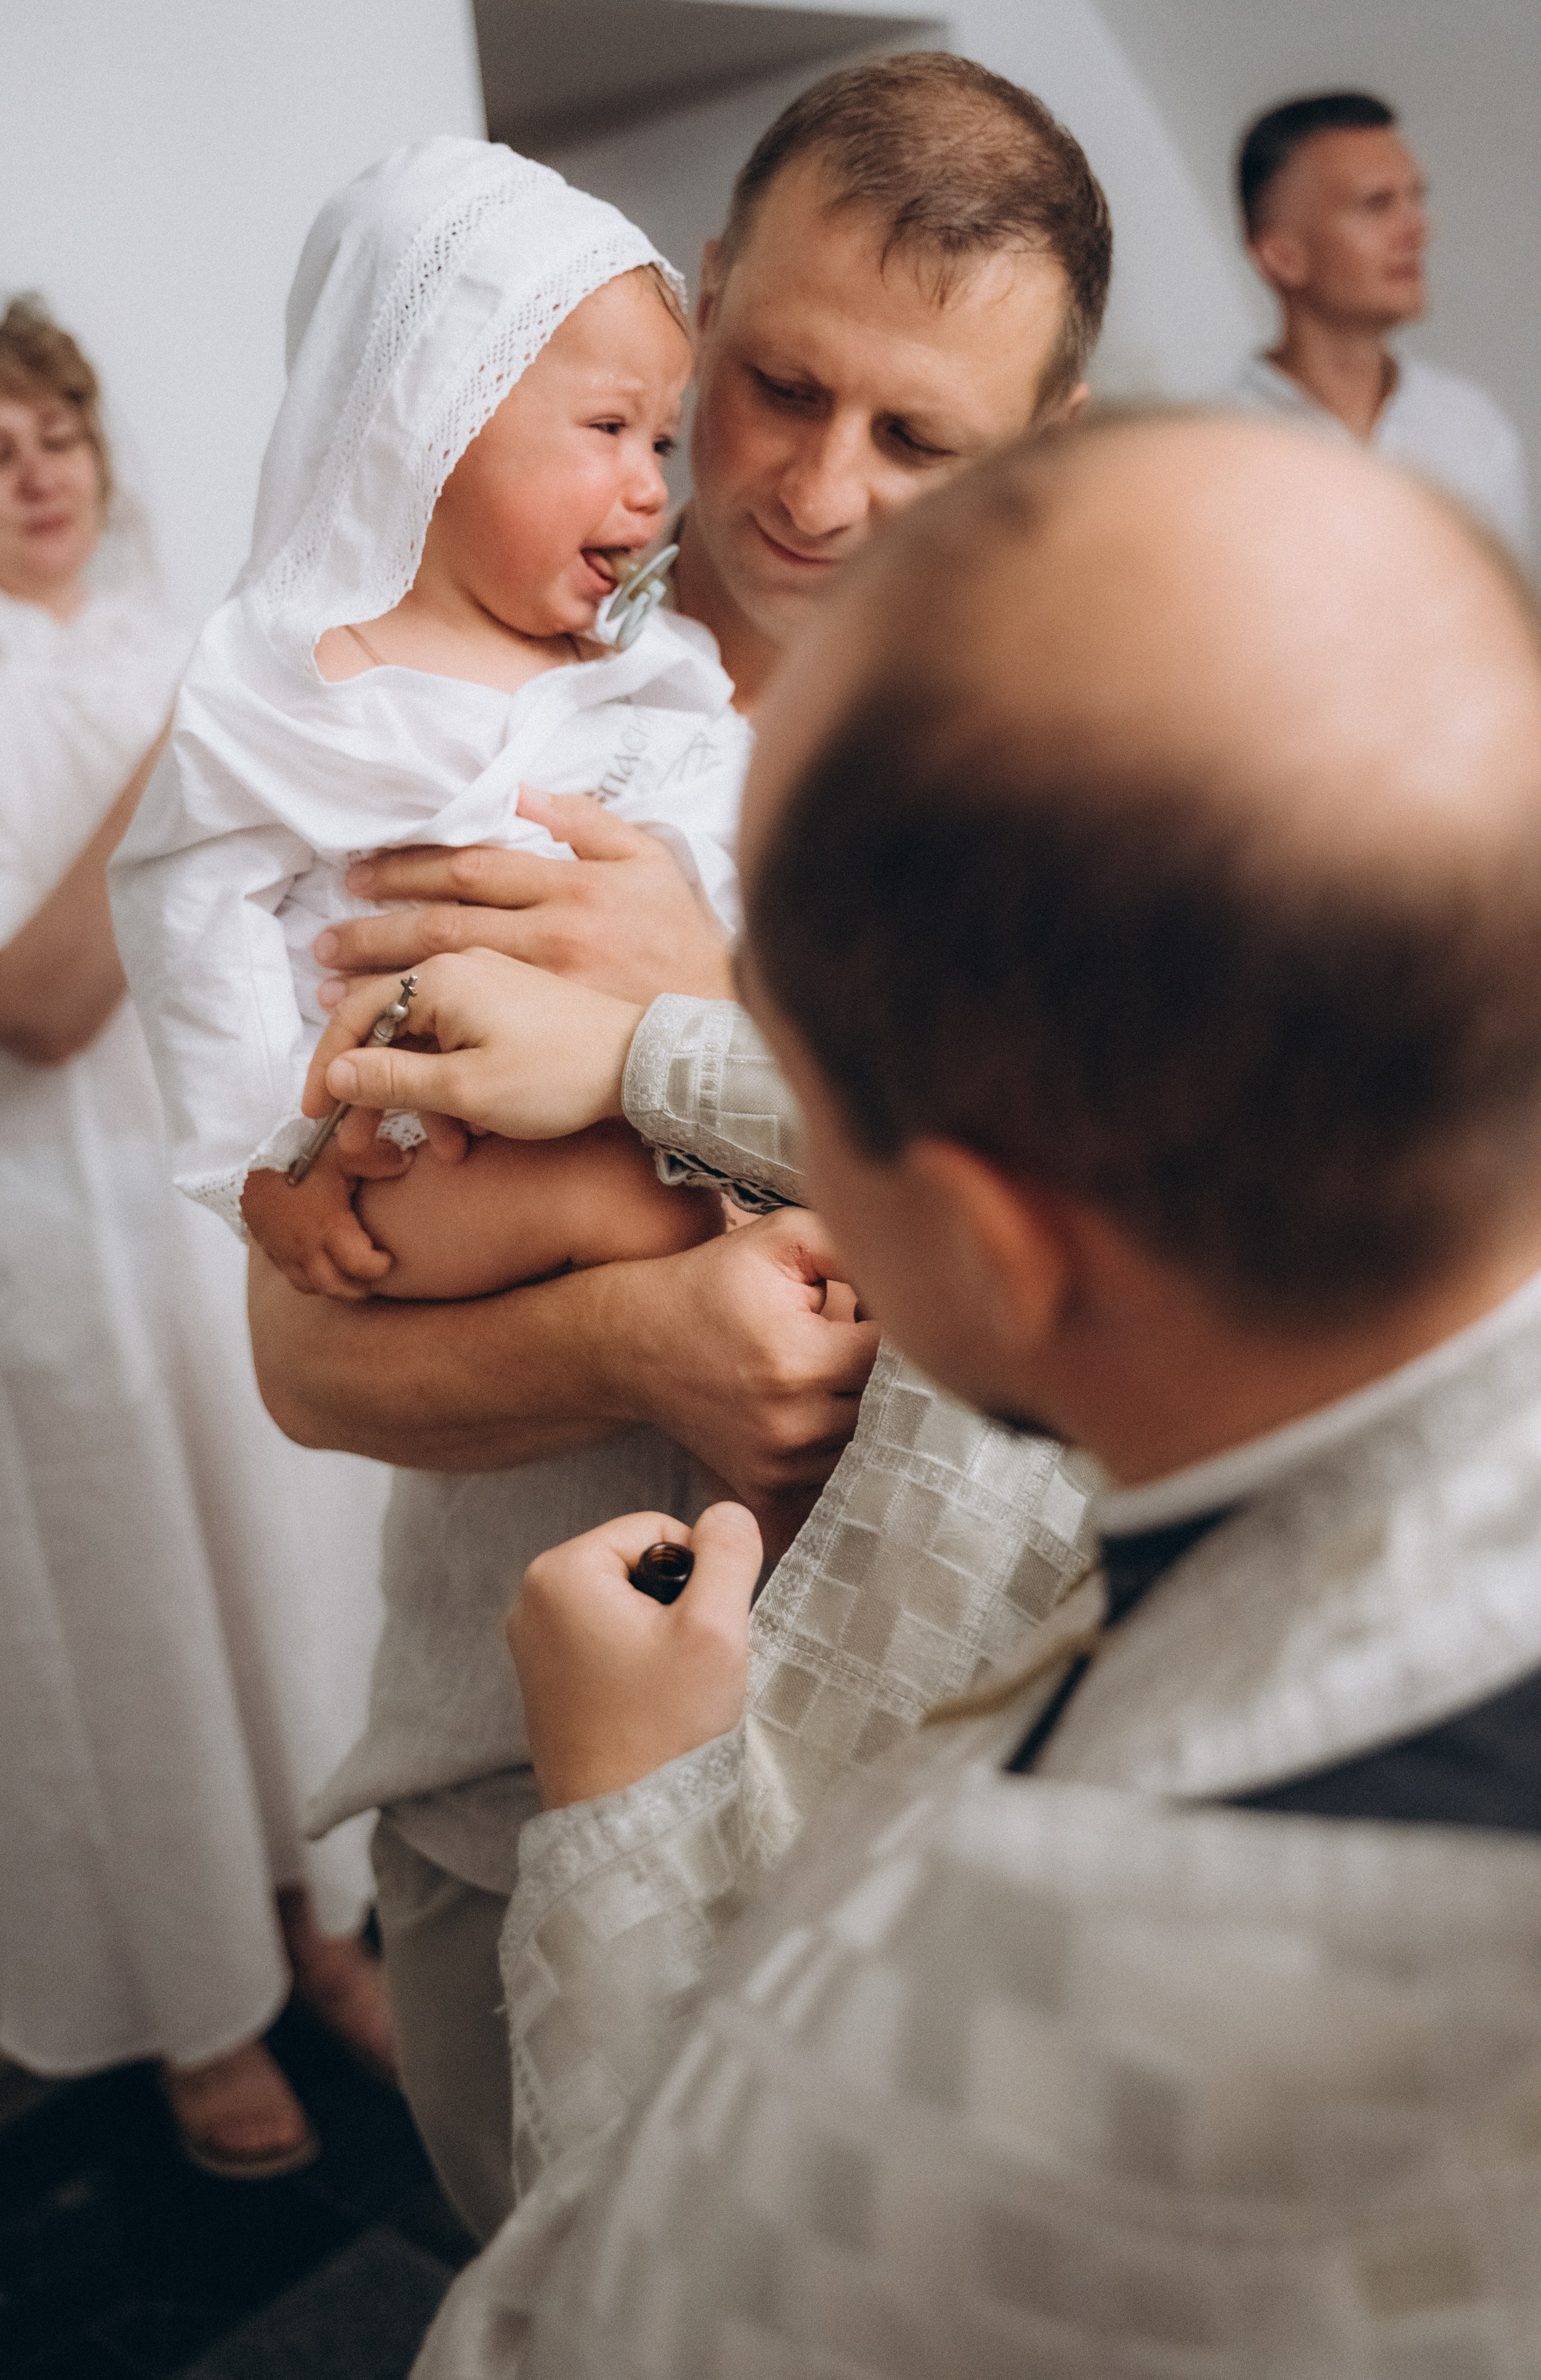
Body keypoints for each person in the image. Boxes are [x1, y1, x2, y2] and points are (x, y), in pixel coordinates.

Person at [331, 411, 1541, 2374]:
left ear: (977, 1253)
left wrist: (632, 1808)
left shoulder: (1033, 1984)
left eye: (796, 1071)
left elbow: (592, 2332)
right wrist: (655, 1048)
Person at [245, 54, 1112, 2242]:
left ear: (1053, 446)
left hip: (945, 1806)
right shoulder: (464, 711)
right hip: (494, 1788)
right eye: (779, 381)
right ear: (701, 297)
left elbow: (1131, 1312)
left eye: (921, 438)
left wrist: (688, 1024)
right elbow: (310, 1354)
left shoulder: (1103, 776)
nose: (818, 488)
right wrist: (644, 1334)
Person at [0, 296, 395, 2178]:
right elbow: (34, 1002)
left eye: (55, 428)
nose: (39, 471)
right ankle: (196, 1996)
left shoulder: (157, 636)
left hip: (220, 1185)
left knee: (284, 1569)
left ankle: (326, 1919)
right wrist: (203, 741)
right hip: (41, 1221)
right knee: (126, 1611)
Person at [113, 141, 745, 1309]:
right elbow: (193, 912)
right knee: (652, 1206)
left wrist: (687, 904)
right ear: (429, 421)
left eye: (661, 438)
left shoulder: (640, 661)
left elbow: (726, 814)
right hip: (402, 1152)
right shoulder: (293, 681)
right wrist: (266, 1157)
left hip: (626, 1084)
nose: (654, 482)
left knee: (733, 1205)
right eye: (609, 427)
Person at [1229, 89, 1531, 561]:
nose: (1418, 230)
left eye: (1416, 198)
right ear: (1282, 256)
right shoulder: (1218, 452)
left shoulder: (1472, 430)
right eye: (1376, 204)